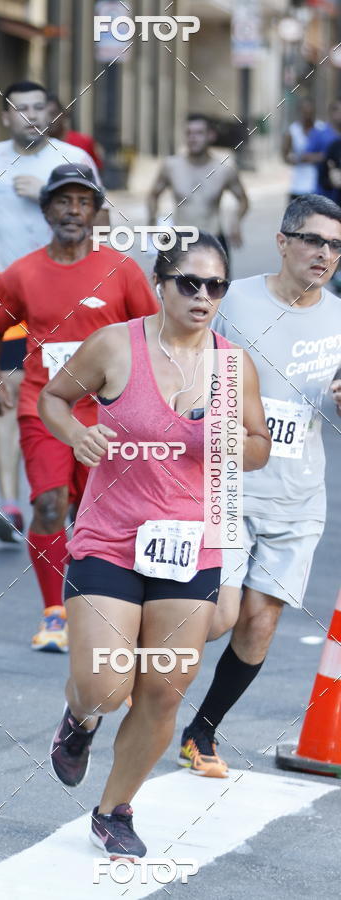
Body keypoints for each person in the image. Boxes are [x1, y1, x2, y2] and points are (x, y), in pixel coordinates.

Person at [39, 232, 270, 858]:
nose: (202, 296)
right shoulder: (117, 345)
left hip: (190, 545)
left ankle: (114, 810)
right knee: (108, 686)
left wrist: (225, 438)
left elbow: (259, 446)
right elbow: (53, 399)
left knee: (163, 690)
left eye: (215, 286)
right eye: (188, 283)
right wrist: (77, 436)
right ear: (161, 284)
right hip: (111, 539)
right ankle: (79, 718)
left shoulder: (231, 365)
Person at [179, 194, 341, 777]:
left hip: (298, 495)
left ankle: (203, 732)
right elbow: (182, 360)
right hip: (229, 482)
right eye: (314, 241)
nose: (325, 254)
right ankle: (139, 683)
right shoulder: (234, 298)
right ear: (283, 241)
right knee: (217, 614)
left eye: (336, 246)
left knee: (261, 619)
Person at [0, 164, 156, 652]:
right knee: (50, 504)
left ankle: (98, 602)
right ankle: (53, 612)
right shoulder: (23, 273)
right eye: (63, 201)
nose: (73, 211)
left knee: (95, 513)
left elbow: (153, 333)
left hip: (108, 416)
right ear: (46, 209)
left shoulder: (121, 271)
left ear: (96, 213)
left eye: (83, 202)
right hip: (44, 408)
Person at [0, 80, 109, 545]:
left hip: (68, 296)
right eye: (20, 108)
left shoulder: (74, 161)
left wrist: (41, 197)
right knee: (9, 394)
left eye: (38, 107)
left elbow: (103, 221)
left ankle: (72, 494)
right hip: (10, 294)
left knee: (69, 393)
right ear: (5, 116)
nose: (30, 115)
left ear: (50, 113)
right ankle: (9, 504)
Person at [147, 113, 249, 256]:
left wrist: (235, 222)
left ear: (211, 136)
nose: (193, 138)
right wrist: (152, 222)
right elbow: (153, 195)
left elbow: (243, 199)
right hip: (180, 241)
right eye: (189, 133)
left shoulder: (224, 169)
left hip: (213, 240)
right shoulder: (171, 166)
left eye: (199, 133)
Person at [46, 93, 104, 170]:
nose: (49, 120)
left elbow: (96, 170)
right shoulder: (36, 146)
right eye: (45, 115)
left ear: (63, 115)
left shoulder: (83, 141)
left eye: (53, 114)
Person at [282, 98, 325, 201]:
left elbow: (327, 154)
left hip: (317, 184)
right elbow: (285, 156)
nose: (307, 115)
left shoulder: (321, 128)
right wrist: (297, 159)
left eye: (309, 112)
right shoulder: (293, 131)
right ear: (300, 112)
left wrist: (312, 158)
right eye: (304, 112)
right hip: (298, 185)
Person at [299, 98, 341, 198]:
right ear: (331, 113)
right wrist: (325, 157)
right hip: (324, 191)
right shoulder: (320, 133)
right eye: (337, 110)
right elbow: (305, 156)